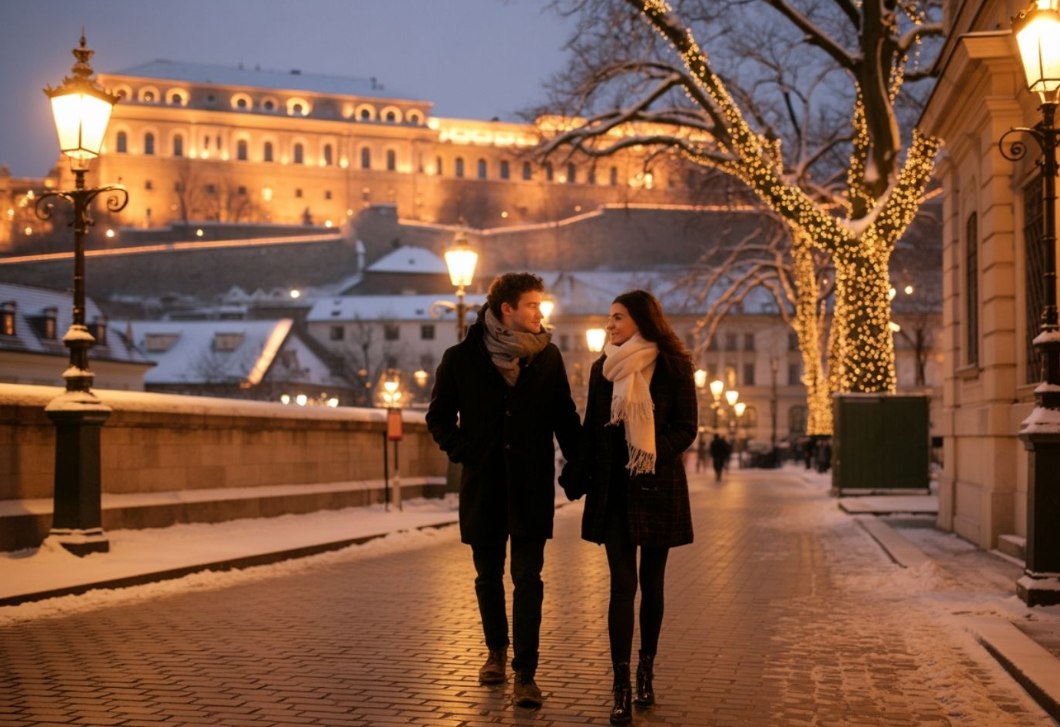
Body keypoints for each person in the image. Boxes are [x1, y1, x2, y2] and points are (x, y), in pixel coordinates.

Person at [426, 272, 580, 709]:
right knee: (488, 577)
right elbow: (438, 417)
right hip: (485, 484)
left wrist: (581, 464)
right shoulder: (460, 358)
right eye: (532, 304)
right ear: (507, 309)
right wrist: (466, 451)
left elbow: (565, 417)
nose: (539, 312)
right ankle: (496, 652)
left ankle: (526, 674)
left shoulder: (547, 357)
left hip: (531, 485)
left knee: (528, 579)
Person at [562, 290, 696, 725]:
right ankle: (619, 683)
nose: (610, 325)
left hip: (657, 487)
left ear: (641, 319)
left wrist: (651, 453)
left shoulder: (675, 366)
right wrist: (575, 472)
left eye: (617, 317)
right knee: (622, 585)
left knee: (652, 585)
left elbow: (687, 428)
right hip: (613, 491)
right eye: (610, 317)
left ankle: (645, 673)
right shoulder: (603, 368)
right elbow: (591, 427)